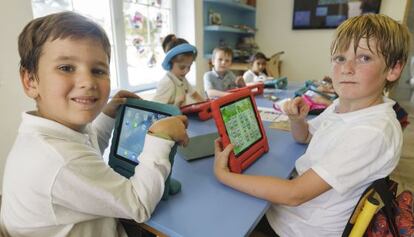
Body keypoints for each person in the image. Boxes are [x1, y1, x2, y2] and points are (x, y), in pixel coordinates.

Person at [213, 13, 410, 236]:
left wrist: (224, 175)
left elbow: (294, 194)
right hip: (295, 213)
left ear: (393, 68)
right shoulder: (344, 105)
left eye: (364, 58)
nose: (347, 69)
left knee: (217, 220)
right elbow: (305, 137)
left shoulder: (372, 131)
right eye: (339, 58)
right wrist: (297, 120)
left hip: (297, 228)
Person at [0, 12, 189, 237]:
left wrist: (107, 116)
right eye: (66, 68)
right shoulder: (60, 161)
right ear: (30, 81)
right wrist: (159, 136)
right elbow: (138, 205)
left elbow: (85, 153)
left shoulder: (50, 137)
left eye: (98, 71)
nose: (88, 82)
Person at [152, 34, 204, 107]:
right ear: (170, 63)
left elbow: (194, 94)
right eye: (182, 67)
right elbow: (156, 109)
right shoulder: (167, 83)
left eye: (189, 66)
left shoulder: (182, 79)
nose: (186, 71)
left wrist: (205, 104)